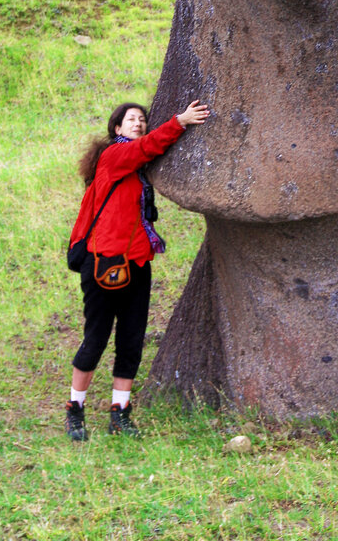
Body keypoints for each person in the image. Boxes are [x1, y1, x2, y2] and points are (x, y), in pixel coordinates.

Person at [65, 97, 209, 440]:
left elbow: (146, 151)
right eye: (132, 119)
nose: (139, 123)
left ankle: (120, 412)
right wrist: (181, 120)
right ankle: (75, 409)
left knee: (131, 340)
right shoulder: (115, 157)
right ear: (117, 128)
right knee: (96, 339)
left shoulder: (138, 166)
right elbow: (144, 148)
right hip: (104, 262)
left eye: (143, 119)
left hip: (137, 263)